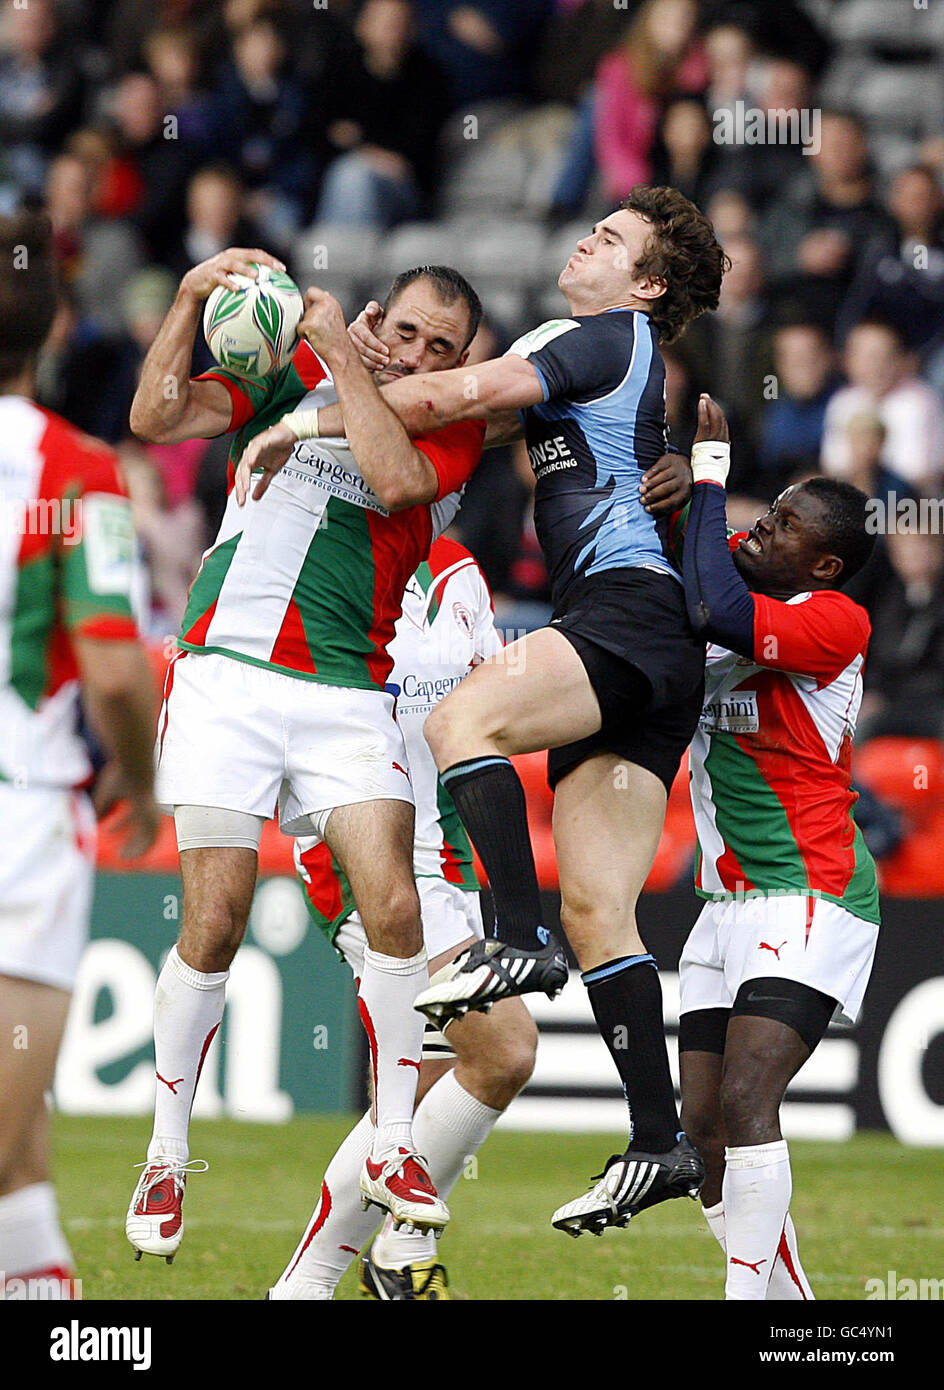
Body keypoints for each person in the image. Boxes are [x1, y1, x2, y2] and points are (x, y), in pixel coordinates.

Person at [238, 185, 728, 1226]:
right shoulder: (612, 363)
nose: (584, 237)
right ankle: (658, 1139)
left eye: (612, 239)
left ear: (643, 284)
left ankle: (514, 934)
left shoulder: (597, 335)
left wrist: (304, 414)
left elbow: (445, 400)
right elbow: (481, 418)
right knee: (600, 909)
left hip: (624, 615)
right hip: (662, 653)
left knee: (458, 721)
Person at [124, 254, 487, 1263]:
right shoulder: (282, 375)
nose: (416, 352)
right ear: (378, 314)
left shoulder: (451, 423)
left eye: (440, 347)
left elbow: (393, 477)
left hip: (342, 692)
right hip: (222, 673)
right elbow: (157, 418)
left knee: (397, 910)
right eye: (403, 330)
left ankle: (399, 1140)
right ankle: (165, 1151)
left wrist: (340, 354)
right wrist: (191, 296)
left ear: (464, 361)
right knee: (215, 914)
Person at [273, 535, 537, 1301]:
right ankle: (383, 1254)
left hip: (446, 861)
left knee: (419, 1087)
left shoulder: (459, 568)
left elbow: (491, 706)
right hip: (364, 847)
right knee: (504, 1048)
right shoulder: (315, 551)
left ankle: (331, 1278)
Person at [675, 394, 880, 1300]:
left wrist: (709, 481)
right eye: (772, 508)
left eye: (787, 523)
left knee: (753, 1103)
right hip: (723, 900)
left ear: (824, 562)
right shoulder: (728, 588)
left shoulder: (834, 619)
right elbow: (681, 586)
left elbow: (714, 610)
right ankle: (797, 1316)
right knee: (704, 1133)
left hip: (814, 888)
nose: (767, 524)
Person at [0, 210, 161, 1298]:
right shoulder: (73, 467)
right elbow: (111, 668)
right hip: (20, 817)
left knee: (18, 1136)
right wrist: (141, 787)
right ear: (56, 327)